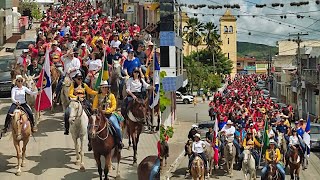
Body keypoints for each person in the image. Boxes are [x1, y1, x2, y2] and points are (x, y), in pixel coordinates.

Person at [92, 81, 124, 150]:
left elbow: (114, 106)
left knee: (117, 127)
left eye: (106, 87)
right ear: (100, 88)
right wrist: (98, 110)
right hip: (100, 115)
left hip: (109, 115)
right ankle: (90, 142)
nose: (104, 89)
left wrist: (107, 111)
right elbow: (94, 106)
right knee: (91, 125)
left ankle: (119, 141)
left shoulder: (111, 96)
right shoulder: (97, 96)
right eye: (103, 87)